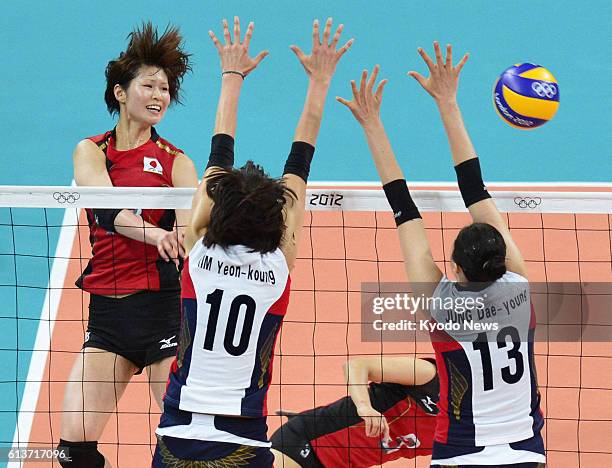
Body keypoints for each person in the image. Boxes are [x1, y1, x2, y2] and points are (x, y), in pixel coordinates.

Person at [152, 17, 353, 467]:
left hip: (175, 441)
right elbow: (299, 164)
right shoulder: (277, 269)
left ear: (216, 211)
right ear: (280, 222)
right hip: (244, 444)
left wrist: (231, 74)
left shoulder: (198, 256)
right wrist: (320, 81)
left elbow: (217, 158)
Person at [337, 44, 545, 467]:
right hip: (524, 451)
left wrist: (372, 124)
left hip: (460, 453)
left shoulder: (440, 303)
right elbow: (475, 187)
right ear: (501, 257)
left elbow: (403, 208)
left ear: (454, 268)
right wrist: (449, 101)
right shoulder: (518, 287)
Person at [57, 23, 198, 467]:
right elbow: (104, 210)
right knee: (73, 448)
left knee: (187, 435)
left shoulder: (177, 162)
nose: (160, 95)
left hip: (163, 311)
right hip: (108, 316)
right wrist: (156, 234)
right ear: (120, 92)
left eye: (166, 88)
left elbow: (191, 230)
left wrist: (184, 236)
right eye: (149, 85)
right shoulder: (92, 150)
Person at [270, 356, 439, 467]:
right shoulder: (432, 377)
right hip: (305, 442)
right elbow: (356, 366)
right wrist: (364, 406)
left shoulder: (462, 434)